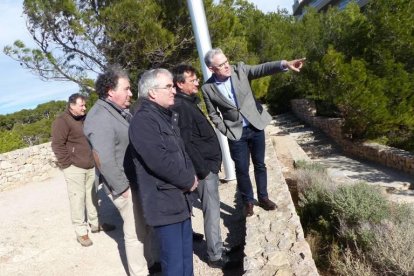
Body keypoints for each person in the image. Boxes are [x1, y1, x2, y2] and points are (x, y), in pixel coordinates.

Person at [202, 48, 305, 217]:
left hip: (255, 127)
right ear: (212, 69)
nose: (227, 66)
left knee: (260, 165)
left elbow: (262, 68)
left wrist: (285, 64)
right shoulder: (208, 88)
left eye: (227, 61)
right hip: (236, 133)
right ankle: (248, 202)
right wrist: (226, 130)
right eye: (221, 65)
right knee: (242, 169)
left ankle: (263, 198)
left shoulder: (240, 70)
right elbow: (213, 114)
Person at [83, 66, 157, 276]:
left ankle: (149, 262)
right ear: (110, 91)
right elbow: (103, 159)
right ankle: (140, 272)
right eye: (126, 88)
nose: (131, 93)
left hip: (134, 180)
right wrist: (122, 187)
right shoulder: (99, 116)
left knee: (144, 226)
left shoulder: (115, 110)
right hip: (124, 184)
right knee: (135, 232)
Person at [129, 68, 198, 276]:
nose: (174, 90)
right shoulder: (143, 121)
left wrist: (191, 176)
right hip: (164, 204)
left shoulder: (164, 116)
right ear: (152, 92)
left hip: (178, 200)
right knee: (175, 265)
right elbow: (159, 161)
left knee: (186, 260)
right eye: (168, 86)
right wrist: (188, 180)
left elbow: (180, 152)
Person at [171, 64, 239, 269]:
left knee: (214, 209)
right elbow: (186, 142)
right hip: (203, 171)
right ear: (180, 84)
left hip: (206, 168)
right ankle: (215, 256)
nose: (197, 82)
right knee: (211, 211)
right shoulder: (181, 106)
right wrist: (204, 169)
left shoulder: (187, 103)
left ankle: (217, 247)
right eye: (192, 80)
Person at [51, 93, 115, 247]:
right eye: (82, 105)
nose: (85, 108)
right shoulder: (61, 121)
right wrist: (67, 164)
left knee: (92, 196)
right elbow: (57, 145)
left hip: (90, 165)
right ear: (72, 106)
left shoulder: (84, 118)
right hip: (74, 168)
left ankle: (95, 224)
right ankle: (81, 232)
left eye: (85, 105)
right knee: (77, 199)